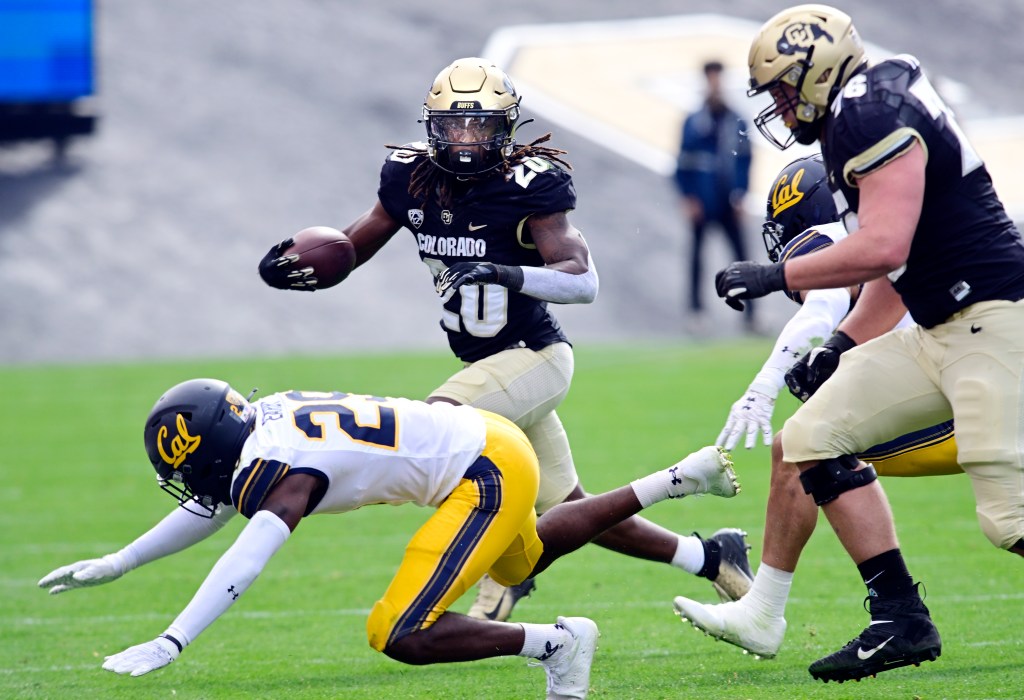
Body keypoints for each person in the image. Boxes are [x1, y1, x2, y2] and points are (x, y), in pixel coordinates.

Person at [258, 57, 753, 621]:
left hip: (534, 358)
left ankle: (504, 570)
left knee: (439, 426)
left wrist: (507, 273)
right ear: (432, 127)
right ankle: (710, 557)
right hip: (488, 367)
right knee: (569, 509)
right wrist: (298, 265)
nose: (467, 140)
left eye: (481, 126)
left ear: (507, 128)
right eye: (455, 125)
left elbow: (583, 280)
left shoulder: (529, 184)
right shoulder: (410, 177)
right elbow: (350, 246)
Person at [38, 378, 741, 698]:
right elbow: (215, 508)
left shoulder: (281, 472)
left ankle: (557, 643)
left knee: (397, 629)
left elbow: (243, 558)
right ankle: (676, 479)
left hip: (483, 470)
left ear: (216, 451)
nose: (195, 484)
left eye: (191, 469)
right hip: (491, 441)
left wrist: (173, 639)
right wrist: (121, 561)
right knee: (523, 557)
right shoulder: (267, 420)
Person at [711, 4, 1024, 683]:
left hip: (994, 319)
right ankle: (900, 619)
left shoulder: (871, 114)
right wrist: (843, 342)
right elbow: (897, 270)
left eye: (783, 89)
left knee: (1009, 521)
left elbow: (884, 246)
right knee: (810, 438)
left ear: (818, 72)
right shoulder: (857, 112)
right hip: (940, 328)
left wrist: (775, 276)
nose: (778, 106)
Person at [677, 153, 962, 665]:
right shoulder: (884, 228)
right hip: (964, 382)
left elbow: (822, 305)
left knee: (807, 443)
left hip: (961, 400)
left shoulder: (827, 238)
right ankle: (775, 611)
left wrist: (763, 386)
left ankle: (872, 615)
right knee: (801, 443)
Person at [673, 60, 755, 332]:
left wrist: (742, 194)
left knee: (742, 258)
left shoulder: (736, 120)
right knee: (697, 258)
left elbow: (746, 160)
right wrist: (688, 197)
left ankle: (751, 314)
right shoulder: (694, 122)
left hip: (729, 201)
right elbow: (683, 162)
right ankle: (696, 312)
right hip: (702, 201)